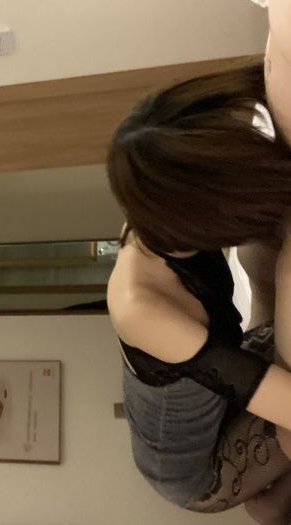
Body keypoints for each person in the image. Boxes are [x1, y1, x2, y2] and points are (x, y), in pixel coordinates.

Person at [106, 48, 291, 522]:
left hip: (222, 375)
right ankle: (269, 504)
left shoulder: (155, 187)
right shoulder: (140, 307)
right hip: (193, 470)